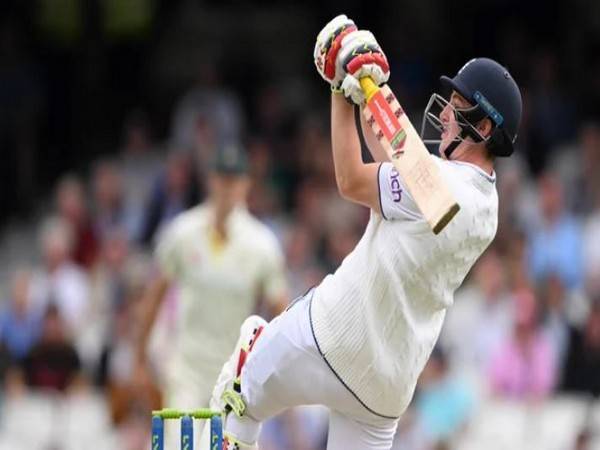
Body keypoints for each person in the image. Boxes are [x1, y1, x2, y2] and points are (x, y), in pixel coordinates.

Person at [206, 15, 523, 450]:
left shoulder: (444, 188)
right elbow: (402, 170)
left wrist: (340, 90)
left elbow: (352, 180)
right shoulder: (486, 205)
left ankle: (251, 360)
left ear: (484, 127)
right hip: (385, 388)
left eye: (459, 104)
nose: (446, 113)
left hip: (331, 335)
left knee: (239, 391)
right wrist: (364, 94)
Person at [136, 143, 288, 447]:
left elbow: (281, 312)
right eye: (222, 178)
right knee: (181, 444)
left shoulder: (262, 245)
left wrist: (271, 370)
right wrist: (140, 359)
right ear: (210, 181)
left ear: (246, 183)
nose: (228, 187)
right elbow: (153, 297)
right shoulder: (182, 232)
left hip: (235, 374)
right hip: (186, 369)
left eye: (235, 179)